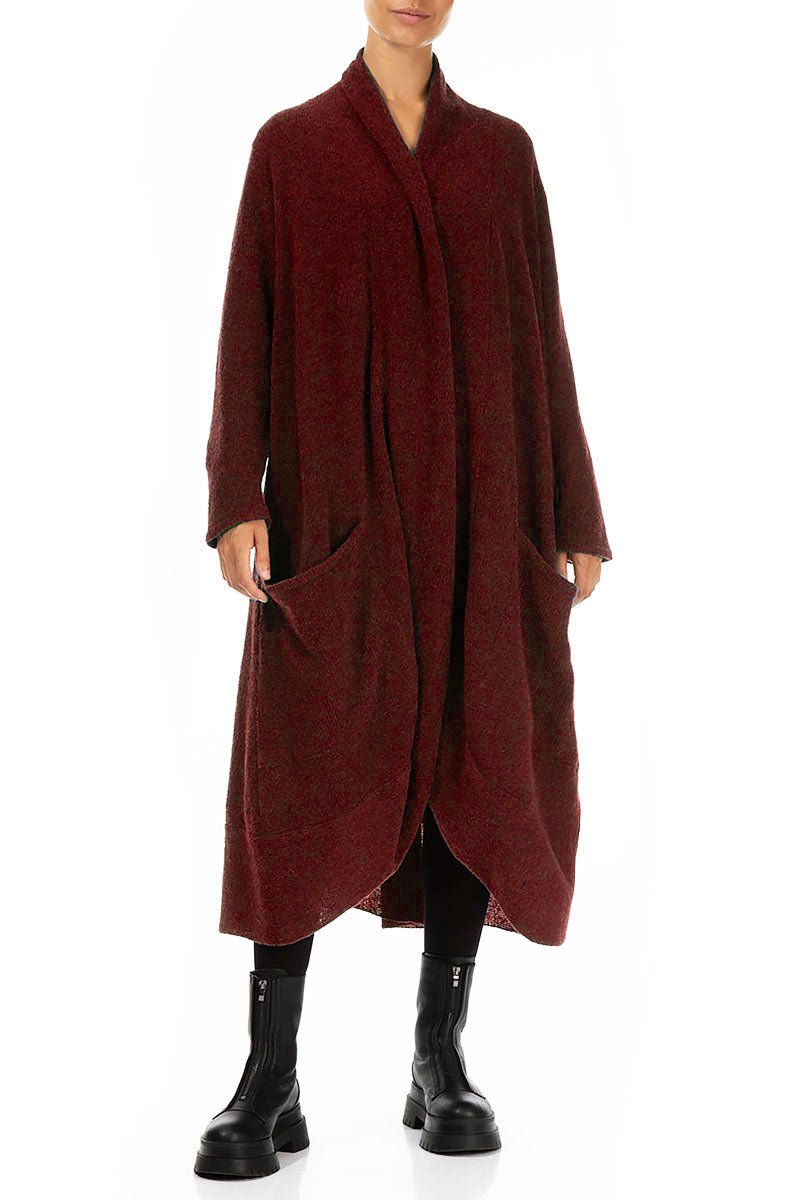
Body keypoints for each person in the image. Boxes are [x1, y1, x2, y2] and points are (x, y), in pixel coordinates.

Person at [195, 0, 612, 1180]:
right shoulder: (291, 148)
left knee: (474, 758)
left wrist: (572, 511)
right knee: (296, 771)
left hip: (483, 509)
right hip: (338, 521)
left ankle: (439, 1059)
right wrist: (234, 496)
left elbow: (542, 335)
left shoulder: (502, 156)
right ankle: (268, 1077)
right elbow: (246, 325)